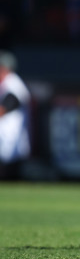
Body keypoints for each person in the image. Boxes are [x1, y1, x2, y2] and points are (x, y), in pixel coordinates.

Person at [0, 50, 31, 179]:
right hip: (6, 142)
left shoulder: (14, 85)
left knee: (10, 178)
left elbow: (4, 108)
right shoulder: (6, 84)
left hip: (12, 142)